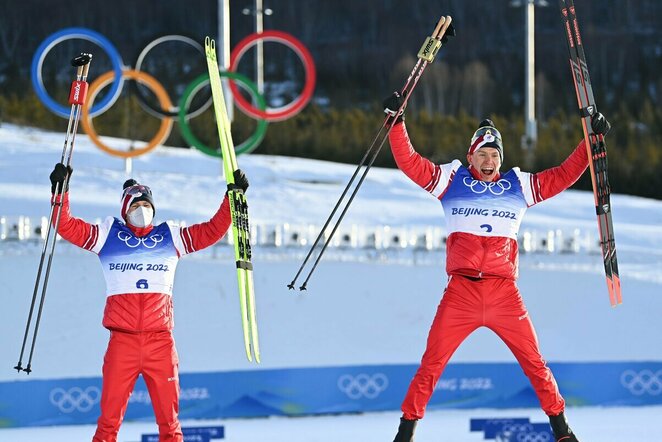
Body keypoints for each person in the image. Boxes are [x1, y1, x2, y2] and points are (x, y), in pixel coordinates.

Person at [383, 92, 611, 442]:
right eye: (482, 154)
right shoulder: (452, 181)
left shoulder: (518, 186)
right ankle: (406, 432)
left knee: (535, 363)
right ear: (471, 154)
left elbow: (563, 175)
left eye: (494, 155)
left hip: (504, 293)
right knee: (432, 363)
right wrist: (396, 124)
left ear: (500, 159)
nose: (488, 161)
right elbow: (411, 163)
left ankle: (562, 430)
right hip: (461, 292)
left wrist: (590, 141)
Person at [48, 164, 249, 442]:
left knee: (170, 425)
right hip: (122, 342)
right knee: (108, 424)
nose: (141, 209)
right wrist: (61, 193)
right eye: (135, 205)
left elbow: (212, 231)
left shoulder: (171, 236)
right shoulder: (108, 235)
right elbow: (66, 226)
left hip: (161, 343)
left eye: (146, 204)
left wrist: (231, 198)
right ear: (125, 209)